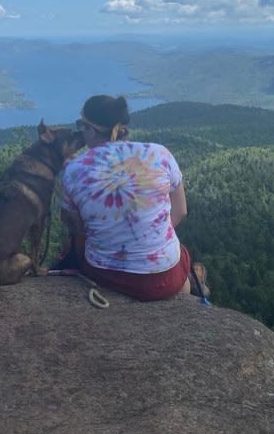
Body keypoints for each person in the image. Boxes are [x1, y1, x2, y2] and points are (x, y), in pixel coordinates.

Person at [58, 94, 207, 301]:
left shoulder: (73, 169)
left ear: (91, 130)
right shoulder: (160, 154)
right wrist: (148, 238)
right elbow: (181, 211)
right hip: (166, 277)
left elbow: (74, 225)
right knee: (179, 253)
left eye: (82, 125)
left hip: (105, 275)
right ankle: (192, 285)